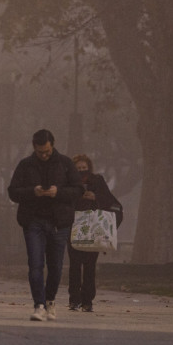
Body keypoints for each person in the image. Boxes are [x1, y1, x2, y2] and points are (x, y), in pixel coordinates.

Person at [8, 129, 82, 321]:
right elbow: (13, 192)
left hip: (59, 222)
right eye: (41, 152)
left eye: (47, 151)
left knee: (56, 266)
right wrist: (33, 192)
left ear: (53, 145)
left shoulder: (65, 164)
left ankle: (50, 300)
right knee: (35, 264)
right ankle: (38, 304)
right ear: (34, 147)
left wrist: (58, 192)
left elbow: (78, 189)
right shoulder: (25, 165)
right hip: (34, 221)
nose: (44, 155)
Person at [68, 154, 122, 313]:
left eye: (84, 168)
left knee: (90, 266)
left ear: (89, 168)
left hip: (94, 229)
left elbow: (110, 200)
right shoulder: (69, 183)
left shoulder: (97, 181)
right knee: (75, 266)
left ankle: (87, 300)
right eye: (78, 169)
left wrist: (95, 197)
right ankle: (74, 299)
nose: (81, 172)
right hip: (74, 227)